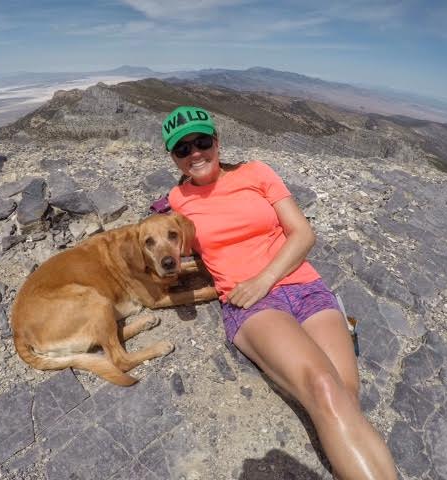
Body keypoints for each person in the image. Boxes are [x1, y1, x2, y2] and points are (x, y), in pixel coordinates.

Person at [162, 106, 398, 480]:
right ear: (173, 158)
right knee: (323, 387)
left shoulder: (257, 172)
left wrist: (265, 277)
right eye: (182, 149)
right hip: (252, 304)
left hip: (302, 284)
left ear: (218, 142)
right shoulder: (177, 201)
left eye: (202, 142)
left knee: (346, 396)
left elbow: (303, 233)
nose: (195, 154)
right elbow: (164, 245)